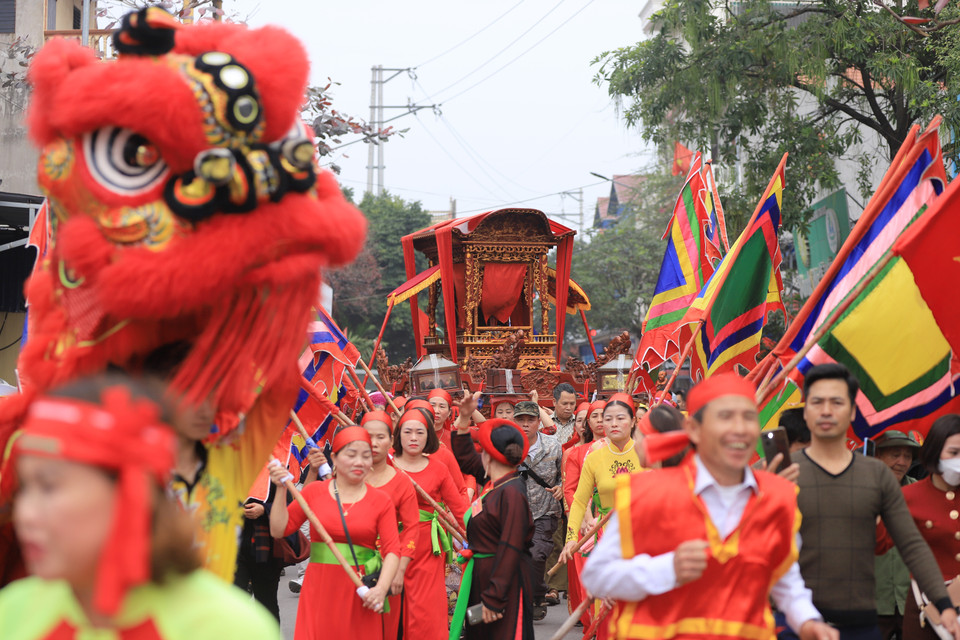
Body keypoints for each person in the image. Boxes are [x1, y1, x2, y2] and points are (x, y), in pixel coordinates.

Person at [0, 375, 281, 639]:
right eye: (23, 488)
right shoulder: (12, 611)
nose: (25, 515)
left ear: (130, 489)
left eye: (49, 486)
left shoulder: (228, 627)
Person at [580, 373, 837, 640]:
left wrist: (808, 621)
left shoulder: (777, 497)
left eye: (748, 417)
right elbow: (597, 577)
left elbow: (787, 581)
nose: (740, 429)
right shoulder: (648, 493)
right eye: (725, 417)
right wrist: (667, 569)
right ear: (694, 429)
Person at [795, 363, 959, 640]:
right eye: (817, 402)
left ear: (853, 411)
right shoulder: (784, 473)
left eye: (837, 402)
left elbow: (912, 546)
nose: (827, 411)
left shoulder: (875, 476)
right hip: (798, 618)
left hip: (862, 621)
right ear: (806, 410)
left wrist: (944, 605)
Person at [269, 425, 400, 640]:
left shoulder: (381, 500)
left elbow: (393, 549)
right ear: (334, 458)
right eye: (351, 454)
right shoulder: (315, 492)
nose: (359, 462)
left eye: (366, 456)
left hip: (360, 589)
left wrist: (381, 588)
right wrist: (281, 489)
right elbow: (278, 529)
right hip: (319, 589)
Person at [448, 418, 535, 640]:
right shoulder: (495, 482)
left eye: (482, 451)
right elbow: (466, 459)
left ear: (489, 455)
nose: (479, 456)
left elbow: (510, 547)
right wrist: (463, 420)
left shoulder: (512, 492)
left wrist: (495, 597)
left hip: (504, 583)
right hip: (484, 577)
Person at [392, 406, 468, 640]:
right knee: (391, 607)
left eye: (420, 432)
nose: (413, 438)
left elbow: (460, 509)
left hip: (427, 546)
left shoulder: (438, 468)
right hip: (389, 542)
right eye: (407, 432)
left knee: (424, 608)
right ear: (398, 435)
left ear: (429, 436)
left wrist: (481, 535)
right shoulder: (386, 464)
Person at [893, 415, 960, 639]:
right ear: (934, 451)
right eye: (953, 452)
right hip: (925, 605)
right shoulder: (908, 496)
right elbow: (879, 543)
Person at [360, 410, 420, 640]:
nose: (374, 443)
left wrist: (399, 571)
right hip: (350, 562)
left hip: (388, 564)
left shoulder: (401, 481)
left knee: (387, 628)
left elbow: (412, 528)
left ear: (391, 440)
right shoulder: (346, 477)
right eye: (368, 437)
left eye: (380, 437)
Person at [511, 399, 563, 620]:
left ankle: (537, 593)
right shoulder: (506, 447)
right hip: (514, 513)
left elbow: (564, 474)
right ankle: (528, 597)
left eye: (530, 419)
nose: (525, 424)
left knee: (536, 554)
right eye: (520, 419)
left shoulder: (553, 446)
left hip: (545, 510)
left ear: (539, 422)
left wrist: (561, 487)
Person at [561, 398, 607, 629]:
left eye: (604, 416)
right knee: (586, 573)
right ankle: (592, 623)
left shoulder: (624, 451)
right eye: (594, 416)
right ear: (588, 423)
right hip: (586, 522)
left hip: (611, 519)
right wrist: (586, 519)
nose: (600, 421)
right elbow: (570, 490)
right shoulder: (577, 453)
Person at [873, 430, 921, 640]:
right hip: (872, 601)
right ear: (877, 456)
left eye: (907, 456)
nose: (902, 462)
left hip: (912, 602)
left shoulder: (920, 493)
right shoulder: (861, 491)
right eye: (895, 455)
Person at [234, 484, 285, 622]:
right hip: (232, 547)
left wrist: (264, 509)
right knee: (234, 603)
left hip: (265, 548)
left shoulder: (273, 475)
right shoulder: (228, 473)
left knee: (266, 605)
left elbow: (289, 507)